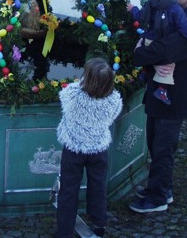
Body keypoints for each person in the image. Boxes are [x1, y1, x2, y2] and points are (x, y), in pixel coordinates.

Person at [129, 0, 187, 214]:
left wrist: (138, 54)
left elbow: (166, 50)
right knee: (155, 141)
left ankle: (157, 199)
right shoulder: (176, 12)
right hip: (161, 91)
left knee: (163, 146)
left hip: (176, 95)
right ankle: (164, 188)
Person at [55, 58, 123, 238]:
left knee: (68, 190)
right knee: (98, 186)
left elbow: (65, 100)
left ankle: (64, 231)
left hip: (73, 148)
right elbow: (112, 117)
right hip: (98, 148)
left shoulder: (71, 94)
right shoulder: (114, 100)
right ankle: (99, 224)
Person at [130, 0, 187, 105]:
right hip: (159, 40)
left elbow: (140, 16)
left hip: (148, 39)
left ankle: (145, 73)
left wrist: (133, 9)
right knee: (167, 67)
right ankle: (162, 90)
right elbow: (183, 27)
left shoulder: (150, 4)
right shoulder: (176, 9)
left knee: (156, 61)